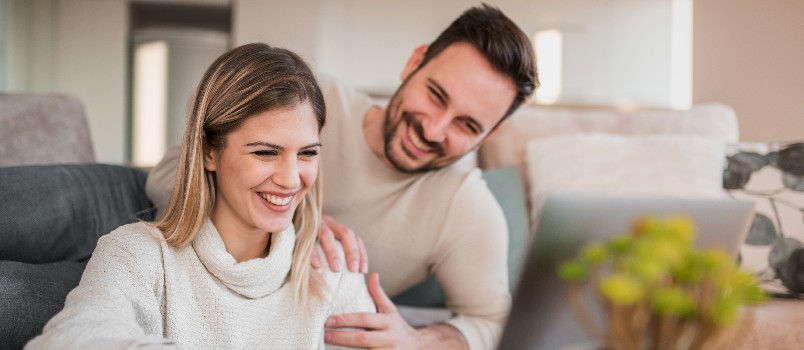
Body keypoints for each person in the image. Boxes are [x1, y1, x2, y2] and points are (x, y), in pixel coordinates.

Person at [146, 4, 537, 349]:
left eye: (467, 125)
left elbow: (494, 323)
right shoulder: (312, 101)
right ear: (414, 62)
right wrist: (296, 222)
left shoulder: (465, 206)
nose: (434, 130)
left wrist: (419, 341)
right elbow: (162, 179)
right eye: (436, 95)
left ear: (490, 133)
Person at [26, 43, 375, 349]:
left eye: (308, 153)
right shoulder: (137, 255)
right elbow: (70, 338)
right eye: (265, 153)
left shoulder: (333, 273)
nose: (290, 179)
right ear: (209, 152)